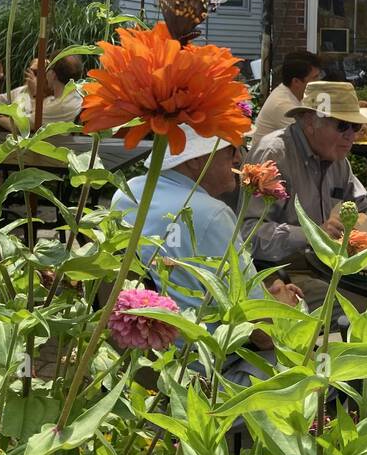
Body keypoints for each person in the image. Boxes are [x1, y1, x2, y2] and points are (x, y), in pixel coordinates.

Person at [110, 128, 302, 376]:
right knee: (311, 367)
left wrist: (263, 293)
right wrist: (284, 307)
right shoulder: (211, 214)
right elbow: (262, 332)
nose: (239, 159)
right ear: (196, 160)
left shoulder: (129, 193)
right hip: (202, 373)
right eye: (231, 150)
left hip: (136, 362)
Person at [244, 80, 367, 303]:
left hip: (331, 268)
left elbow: (359, 207)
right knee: (359, 307)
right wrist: (311, 235)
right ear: (311, 122)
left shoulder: (336, 158)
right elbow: (248, 234)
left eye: (355, 126)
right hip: (285, 274)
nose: (351, 135)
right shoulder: (275, 155)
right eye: (342, 125)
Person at [0, 52, 84, 130]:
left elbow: (24, 126)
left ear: (52, 74)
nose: (33, 76)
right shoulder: (23, 92)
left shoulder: (57, 104)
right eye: (32, 71)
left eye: (41, 72)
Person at [249, 50, 322, 148]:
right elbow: (311, 141)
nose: (320, 81)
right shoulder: (283, 105)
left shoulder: (297, 95)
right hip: (267, 162)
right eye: (315, 78)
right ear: (296, 82)